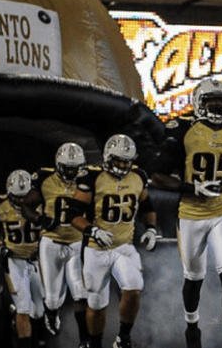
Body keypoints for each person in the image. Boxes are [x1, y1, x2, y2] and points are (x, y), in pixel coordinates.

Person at [148, 78, 222, 348]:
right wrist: (193, 188)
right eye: (212, 102)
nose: (218, 107)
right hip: (192, 214)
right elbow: (157, 176)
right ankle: (192, 326)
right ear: (198, 104)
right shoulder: (183, 131)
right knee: (194, 277)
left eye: (221, 102)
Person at [69, 134, 158, 348]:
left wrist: (151, 229)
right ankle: (95, 343)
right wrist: (92, 230)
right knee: (97, 304)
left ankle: (123, 338)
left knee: (134, 288)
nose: (123, 165)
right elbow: (73, 214)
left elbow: (147, 206)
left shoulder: (138, 176)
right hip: (96, 249)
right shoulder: (92, 177)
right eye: (119, 160)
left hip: (124, 246)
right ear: (108, 158)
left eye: (127, 161)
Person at [19, 142, 92, 347]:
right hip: (51, 242)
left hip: (76, 242)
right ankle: (51, 314)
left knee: (80, 292)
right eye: (67, 167)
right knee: (52, 299)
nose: (71, 172)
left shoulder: (88, 180)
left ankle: (84, 339)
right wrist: (40, 219)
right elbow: (26, 206)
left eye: (75, 168)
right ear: (58, 165)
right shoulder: (45, 178)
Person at [0, 169, 47, 348]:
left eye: (25, 196)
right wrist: (0, 247)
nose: (21, 201)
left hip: (37, 260)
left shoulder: (43, 203)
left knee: (39, 310)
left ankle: (29, 328)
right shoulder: (0, 206)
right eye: (17, 197)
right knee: (23, 308)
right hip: (14, 261)